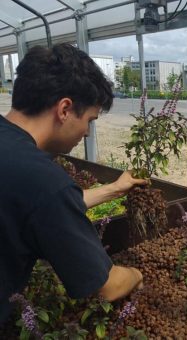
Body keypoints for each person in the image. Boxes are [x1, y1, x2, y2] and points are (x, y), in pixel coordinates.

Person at [0, 43, 146, 324]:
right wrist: (136, 274)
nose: (88, 133)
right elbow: (106, 287)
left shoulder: (16, 162)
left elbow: (35, 207)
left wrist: (115, 189)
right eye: (90, 120)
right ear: (65, 109)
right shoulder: (41, 179)